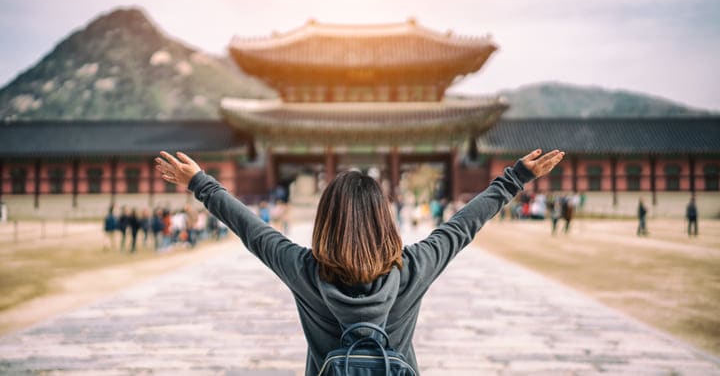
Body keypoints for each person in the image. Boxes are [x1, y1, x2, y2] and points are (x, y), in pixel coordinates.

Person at [155, 148, 564, 375]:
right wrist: (514, 178)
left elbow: (251, 229)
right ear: (384, 219)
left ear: (325, 220)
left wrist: (199, 182)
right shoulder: (412, 269)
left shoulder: (305, 272)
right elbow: (461, 227)